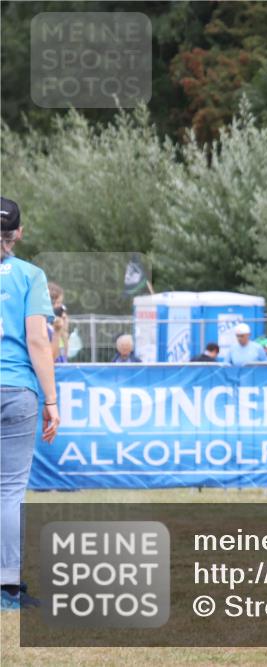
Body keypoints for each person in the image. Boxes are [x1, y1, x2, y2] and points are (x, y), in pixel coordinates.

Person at [1, 196, 59, 610]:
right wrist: (52, 400)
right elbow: (38, 340)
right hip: (16, 388)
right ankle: (6, 588)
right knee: (9, 491)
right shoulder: (29, 276)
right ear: (19, 233)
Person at [47, 282, 68, 363]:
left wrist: (63, 330)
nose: (60, 307)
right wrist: (57, 331)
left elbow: (65, 353)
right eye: (58, 303)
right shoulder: (44, 328)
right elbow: (50, 358)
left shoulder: (55, 326)